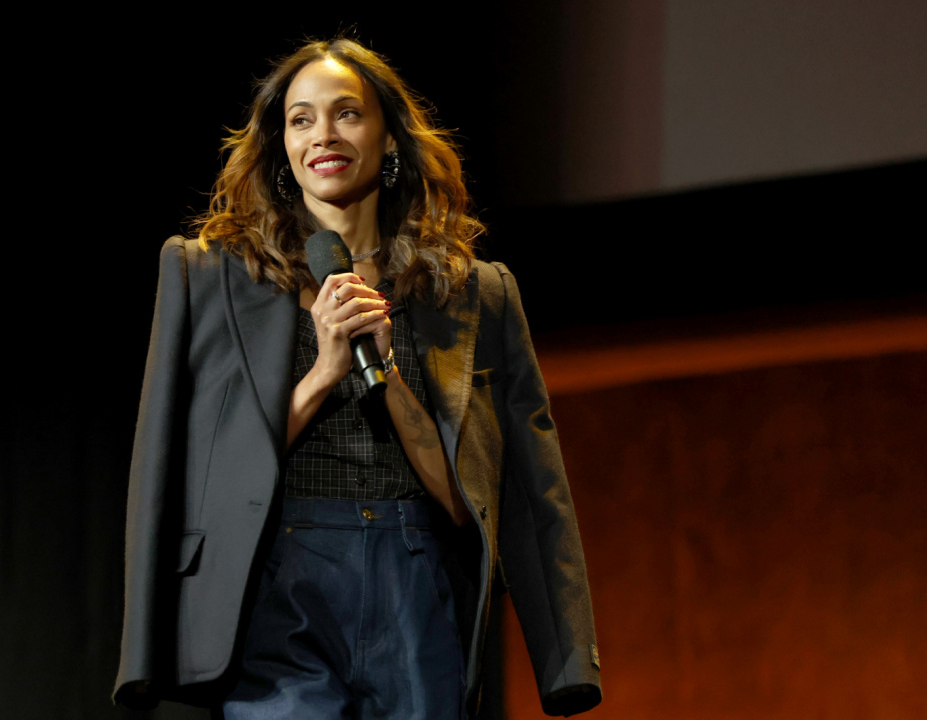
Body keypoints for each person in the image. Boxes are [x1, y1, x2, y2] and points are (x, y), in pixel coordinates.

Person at [114, 38, 602, 719]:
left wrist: (388, 376)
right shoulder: (208, 276)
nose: (323, 134)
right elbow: (188, 469)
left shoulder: (472, 292)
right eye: (301, 119)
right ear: (282, 145)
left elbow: (505, 490)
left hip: (417, 581)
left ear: (389, 137)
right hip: (276, 581)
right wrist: (324, 371)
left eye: (346, 113)